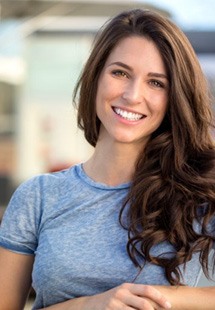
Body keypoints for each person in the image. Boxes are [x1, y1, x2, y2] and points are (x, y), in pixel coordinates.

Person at [0, 8, 215, 310]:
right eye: (120, 73)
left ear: (174, 98)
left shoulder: (201, 192)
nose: (132, 94)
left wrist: (159, 298)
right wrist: (90, 305)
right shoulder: (38, 198)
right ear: (96, 77)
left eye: (156, 83)